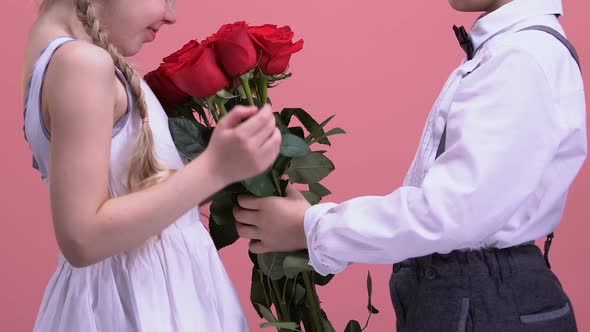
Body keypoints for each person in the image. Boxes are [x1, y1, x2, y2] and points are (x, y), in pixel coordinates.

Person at [233, 0, 585, 330]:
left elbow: (451, 214)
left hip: (483, 301)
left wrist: (312, 227)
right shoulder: (513, 50)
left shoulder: (519, 58)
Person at [23, 0, 281, 330]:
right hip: (140, 304)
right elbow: (82, 238)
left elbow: (127, 200)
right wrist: (214, 170)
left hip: (140, 293)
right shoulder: (81, 64)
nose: (171, 16)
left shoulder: (63, 52)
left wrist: (228, 170)